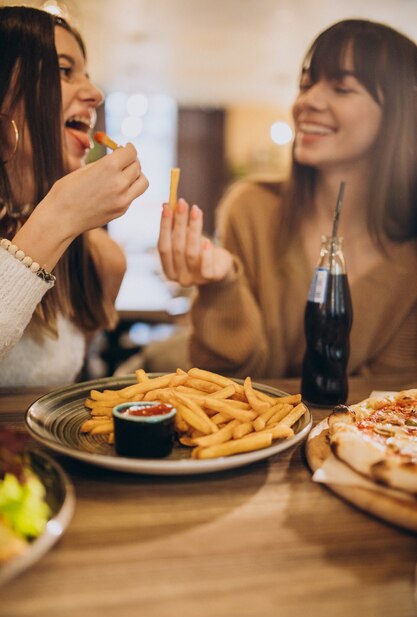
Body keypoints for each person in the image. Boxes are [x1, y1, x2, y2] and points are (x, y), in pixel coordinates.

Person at [158, 18, 417, 379]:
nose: (307, 101)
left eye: (342, 88)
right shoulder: (252, 210)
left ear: (399, 114)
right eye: (305, 85)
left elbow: (390, 404)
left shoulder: (410, 260)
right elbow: (229, 378)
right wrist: (221, 285)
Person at [0, 6, 149, 386]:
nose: (95, 94)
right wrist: (60, 215)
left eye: (88, 74)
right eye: (64, 70)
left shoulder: (100, 262)